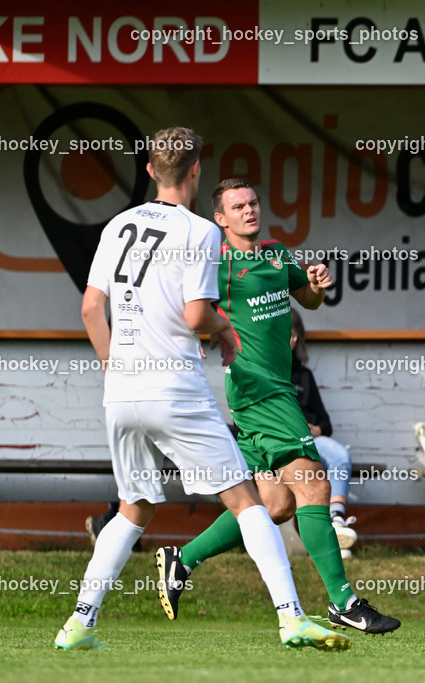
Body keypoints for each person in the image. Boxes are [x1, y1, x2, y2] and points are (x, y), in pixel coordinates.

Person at [55, 128, 347, 652]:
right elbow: (196, 316)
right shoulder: (200, 232)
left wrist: (112, 368)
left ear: (148, 170)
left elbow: (89, 308)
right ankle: (292, 618)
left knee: (134, 507)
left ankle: (79, 623)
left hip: (121, 393)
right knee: (248, 502)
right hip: (175, 388)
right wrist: (226, 332)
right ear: (195, 171)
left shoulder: (118, 224)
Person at [154, 178, 399, 635]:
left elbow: (308, 300)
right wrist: (213, 334)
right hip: (256, 389)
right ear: (220, 219)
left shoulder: (275, 252)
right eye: (237, 206)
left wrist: (317, 284)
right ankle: (343, 602)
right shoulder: (216, 263)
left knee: (276, 502)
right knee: (315, 487)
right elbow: (187, 312)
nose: (249, 210)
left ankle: (181, 559)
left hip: (276, 390)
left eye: (253, 203)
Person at [290, 308, 357, 558]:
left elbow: (326, 424)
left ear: (295, 338)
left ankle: (337, 520)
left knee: (339, 455)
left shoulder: (304, 376)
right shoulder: (262, 371)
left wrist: (316, 429)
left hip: (311, 441)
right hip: (277, 443)